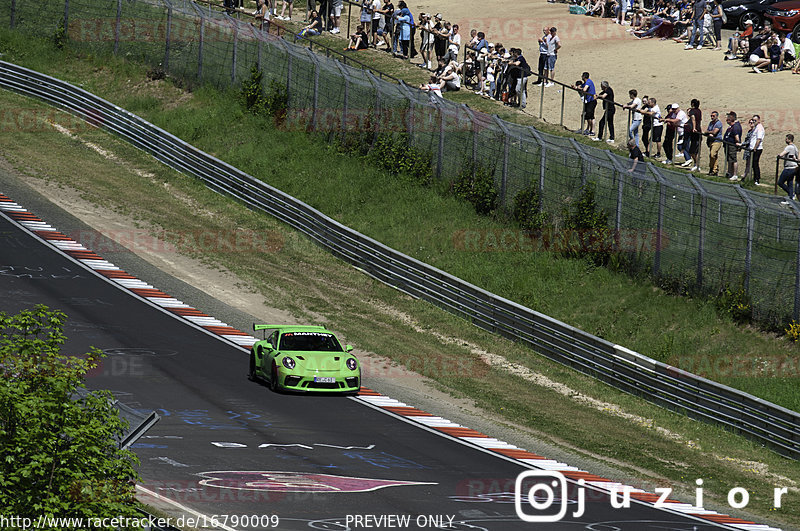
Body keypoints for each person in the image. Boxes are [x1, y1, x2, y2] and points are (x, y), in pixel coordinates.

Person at [778, 134, 799, 204]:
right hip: (794, 167)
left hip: (789, 168)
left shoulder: (789, 147)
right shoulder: (795, 147)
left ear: (789, 140)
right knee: (789, 182)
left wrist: (779, 155)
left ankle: (791, 194)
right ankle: (790, 198)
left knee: (780, 182)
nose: (785, 140)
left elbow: (782, 154)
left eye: (786, 139)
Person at [682, 98, 702, 171]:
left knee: (692, 151)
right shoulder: (699, 111)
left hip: (694, 132)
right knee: (695, 150)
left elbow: (693, 119)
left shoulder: (692, 111)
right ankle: (696, 164)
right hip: (698, 130)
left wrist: (694, 128)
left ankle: (696, 164)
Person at [575, 72, 596, 136]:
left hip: (592, 101)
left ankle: (592, 130)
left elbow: (584, 89)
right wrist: (576, 87)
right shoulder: (585, 83)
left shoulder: (588, 82)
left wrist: (579, 88)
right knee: (585, 115)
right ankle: (585, 129)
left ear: (584, 77)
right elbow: (581, 87)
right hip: (588, 101)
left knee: (590, 117)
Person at [703, 110, 724, 176]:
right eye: (711, 116)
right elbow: (708, 131)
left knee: (712, 154)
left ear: (717, 116)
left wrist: (708, 132)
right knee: (713, 156)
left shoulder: (718, 123)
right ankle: (713, 169)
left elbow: (714, 132)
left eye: (713, 116)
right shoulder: (711, 123)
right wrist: (709, 132)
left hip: (717, 141)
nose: (712, 117)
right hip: (711, 141)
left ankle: (713, 169)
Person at [724, 111, 742, 181]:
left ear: (731, 118)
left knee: (733, 160)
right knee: (730, 160)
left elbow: (737, 138)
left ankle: (735, 175)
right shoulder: (731, 127)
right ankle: (730, 173)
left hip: (732, 146)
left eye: (728, 117)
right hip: (728, 145)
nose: (727, 119)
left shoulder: (735, 127)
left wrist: (738, 144)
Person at [751, 114, 765, 185]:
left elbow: (759, 139)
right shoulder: (756, 127)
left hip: (757, 149)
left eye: (755, 120)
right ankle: (754, 178)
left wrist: (755, 147)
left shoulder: (759, 128)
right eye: (753, 120)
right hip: (754, 148)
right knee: (753, 164)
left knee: (755, 164)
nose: (753, 121)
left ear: (759, 120)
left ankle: (757, 179)